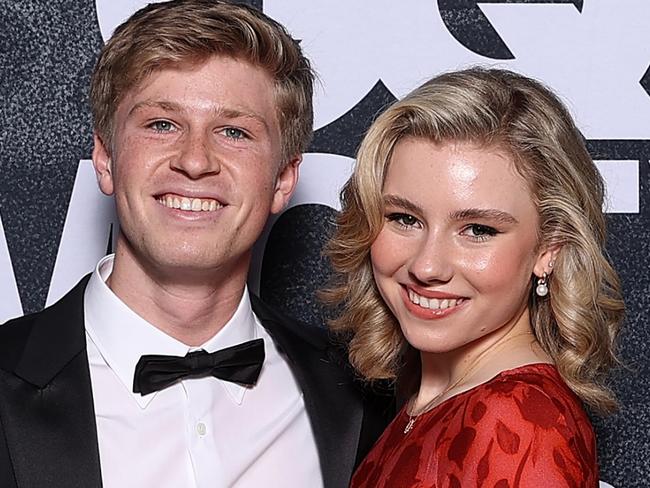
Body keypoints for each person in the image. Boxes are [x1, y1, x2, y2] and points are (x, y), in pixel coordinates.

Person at [0, 1, 390, 487]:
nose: (195, 160)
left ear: (284, 179)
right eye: (162, 124)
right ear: (104, 157)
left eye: (234, 131)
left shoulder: (363, 399)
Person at [324, 67, 624, 487]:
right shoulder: (430, 402)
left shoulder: (520, 422)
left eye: (478, 230)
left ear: (549, 247)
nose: (427, 266)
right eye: (404, 218)